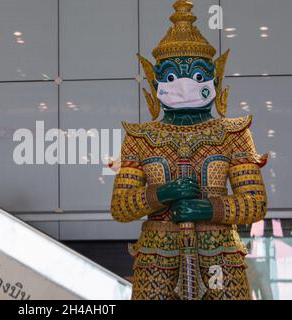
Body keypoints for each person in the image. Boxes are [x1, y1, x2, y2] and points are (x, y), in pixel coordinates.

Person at [111, 0, 268, 300]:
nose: (183, 87)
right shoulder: (141, 137)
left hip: (220, 254)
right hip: (157, 257)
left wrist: (210, 208)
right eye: (170, 77)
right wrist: (162, 194)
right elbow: (121, 207)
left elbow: (255, 203)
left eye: (197, 77)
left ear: (215, 77)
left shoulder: (232, 133)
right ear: (154, 79)